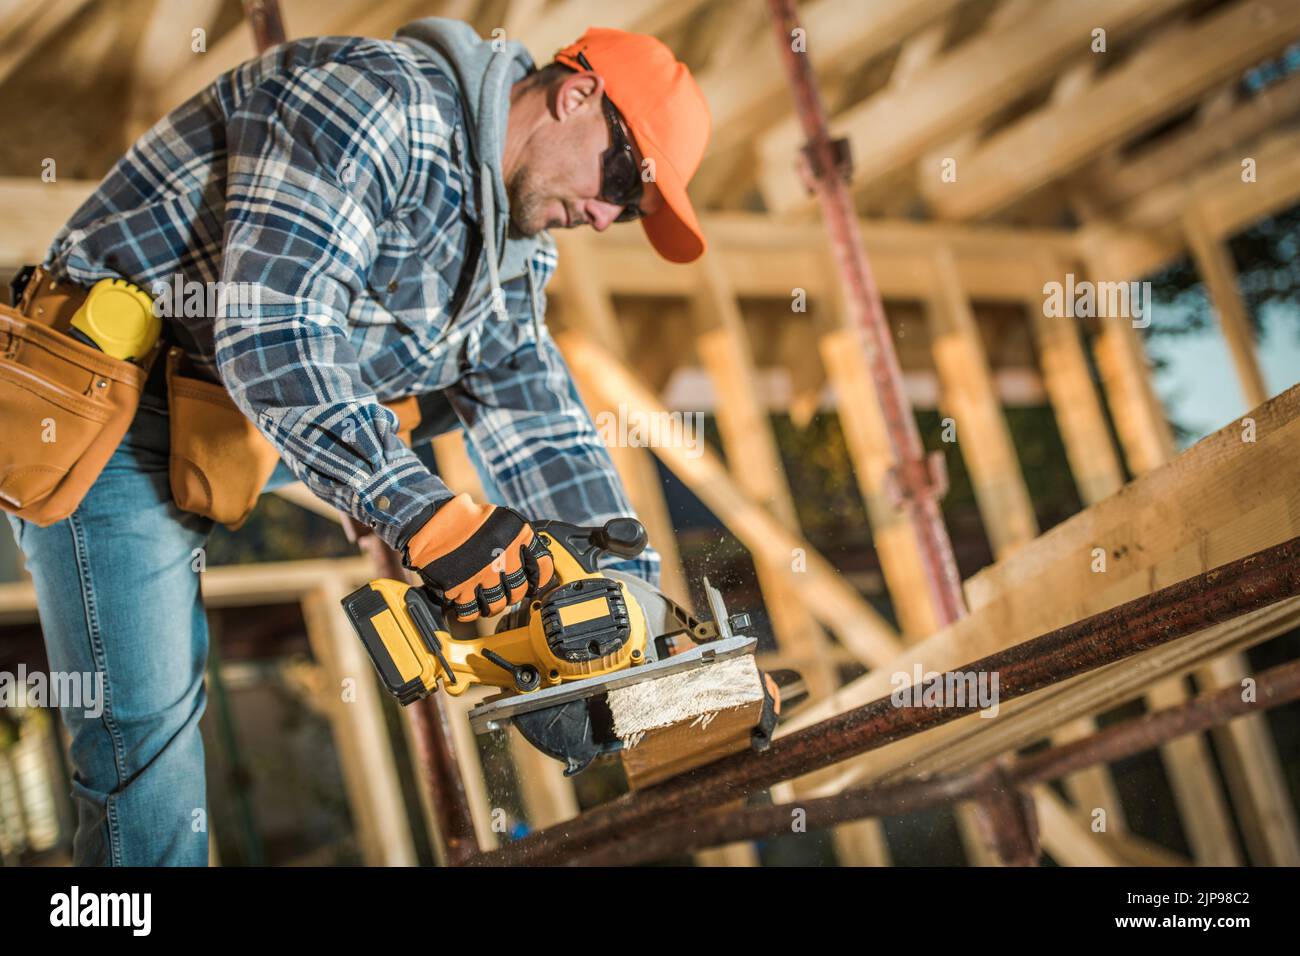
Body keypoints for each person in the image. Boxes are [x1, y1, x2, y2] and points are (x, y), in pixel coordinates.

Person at [5, 18, 711, 865]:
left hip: (238, 426)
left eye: (630, 213)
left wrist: (635, 618)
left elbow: (542, 427)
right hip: (114, 413)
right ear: (577, 93)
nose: (606, 215)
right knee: (145, 751)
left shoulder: (513, 258)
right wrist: (419, 512)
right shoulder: (374, 97)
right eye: (624, 181)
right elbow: (275, 331)